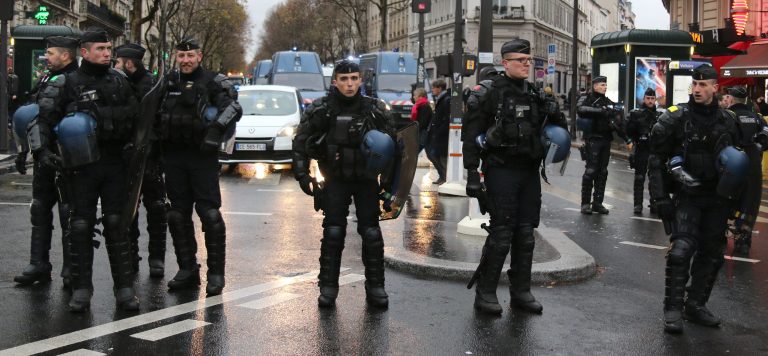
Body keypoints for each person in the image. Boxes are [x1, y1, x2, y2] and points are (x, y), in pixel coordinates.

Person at [33, 28, 141, 312]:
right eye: (101, 49)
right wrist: (42, 152)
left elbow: (138, 119)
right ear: (84, 52)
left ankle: (124, 289)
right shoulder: (66, 83)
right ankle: (81, 289)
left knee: (118, 225)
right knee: (79, 226)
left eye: (108, 49)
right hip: (80, 167)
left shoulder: (120, 82)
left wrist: (136, 148)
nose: (107, 54)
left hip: (115, 164)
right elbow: (41, 121)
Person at [462, 39, 567, 315]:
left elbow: (559, 132)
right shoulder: (488, 93)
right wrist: (472, 173)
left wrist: (554, 111)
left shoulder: (535, 94)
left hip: (528, 172)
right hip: (501, 170)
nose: (526, 64)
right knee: (501, 234)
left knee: (526, 235)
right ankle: (485, 293)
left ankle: (521, 291)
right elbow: (470, 136)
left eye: (528, 60)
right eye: (520, 60)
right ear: (505, 63)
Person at [292, 60, 395, 308]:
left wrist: (390, 184)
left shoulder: (375, 109)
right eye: (344, 79)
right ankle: (328, 286)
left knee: (371, 233)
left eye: (354, 78)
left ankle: (376, 286)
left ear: (361, 80)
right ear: (335, 81)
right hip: (335, 179)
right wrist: (302, 175)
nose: (349, 84)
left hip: (366, 180)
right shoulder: (321, 109)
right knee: (333, 233)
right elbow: (301, 141)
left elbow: (395, 147)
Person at [648, 65, 741, 334]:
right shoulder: (676, 118)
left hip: (717, 197)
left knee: (712, 254)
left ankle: (696, 305)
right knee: (681, 252)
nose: (697, 90)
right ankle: (673, 309)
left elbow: (739, 163)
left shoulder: (727, 120)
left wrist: (739, 206)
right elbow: (656, 159)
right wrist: (660, 198)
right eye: (695, 85)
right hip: (687, 196)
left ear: (715, 87)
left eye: (703, 85)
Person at [155, 38, 241, 296]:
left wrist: (216, 130)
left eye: (190, 55)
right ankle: (187, 269)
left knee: (210, 215)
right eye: (181, 56)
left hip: (202, 157)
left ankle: (216, 273)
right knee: (176, 215)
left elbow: (233, 107)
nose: (185, 60)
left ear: (200, 56)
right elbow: (150, 113)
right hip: (173, 157)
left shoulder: (214, 81)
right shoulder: (167, 82)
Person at [12, 36, 79, 288]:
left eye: (50, 53)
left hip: (65, 158)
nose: (46, 57)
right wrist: (25, 150)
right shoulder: (46, 79)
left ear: (66, 55)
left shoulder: (75, 81)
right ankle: (38, 264)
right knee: (39, 208)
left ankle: (71, 269)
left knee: (68, 215)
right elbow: (35, 117)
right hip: (44, 155)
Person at [114, 43, 168, 277]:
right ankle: (132, 255)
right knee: (128, 210)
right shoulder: (118, 82)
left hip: (150, 157)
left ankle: (156, 258)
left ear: (129, 63)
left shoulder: (153, 86)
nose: (114, 65)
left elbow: (160, 120)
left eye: (117, 61)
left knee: (156, 208)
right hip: (125, 157)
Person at [577, 76, 632, 214]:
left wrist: (626, 138)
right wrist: (599, 111)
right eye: (602, 85)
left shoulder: (608, 102)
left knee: (603, 172)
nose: (605, 87)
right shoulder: (587, 98)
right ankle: (585, 203)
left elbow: (617, 124)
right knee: (591, 171)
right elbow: (580, 109)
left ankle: (597, 203)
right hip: (593, 139)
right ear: (595, 86)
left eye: (605, 85)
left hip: (606, 140)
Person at [724, 86, 767, 255]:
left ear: (732, 99)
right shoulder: (756, 117)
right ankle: (744, 239)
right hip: (753, 163)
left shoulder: (727, 116)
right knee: (750, 202)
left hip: (732, 162)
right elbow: (766, 134)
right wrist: (758, 145)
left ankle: (720, 234)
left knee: (726, 199)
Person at [626, 88, 661, 215]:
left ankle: (654, 203)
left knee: (655, 179)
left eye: (652, 99)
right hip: (641, 148)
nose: (650, 101)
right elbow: (629, 131)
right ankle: (638, 205)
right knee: (639, 178)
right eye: (648, 98)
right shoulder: (637, 114)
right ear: (644, 99)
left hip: (654, 150)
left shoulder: (659, 116)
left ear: (655, 99)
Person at [427, 79, 449, 184]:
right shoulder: (441, 99)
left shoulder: (446, 99)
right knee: (435, 155)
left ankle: (444, 177)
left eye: (433, 88)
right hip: (438, 133)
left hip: (442, 135)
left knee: (438, 156)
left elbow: (446, 118)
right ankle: (443, 176)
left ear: (439, 88)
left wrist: (439, 131)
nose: (432, 90)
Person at [410, 87, 431, 153]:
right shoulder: (419, 106)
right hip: (421, 132)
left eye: (415, 95)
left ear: (420, 96)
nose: (413, 97)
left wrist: (415, 129)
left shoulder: (424, 106)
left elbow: (423, 122)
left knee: (415, 151)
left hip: (423, 133)